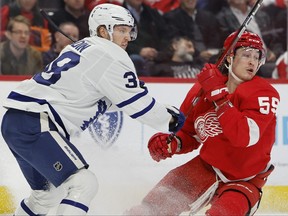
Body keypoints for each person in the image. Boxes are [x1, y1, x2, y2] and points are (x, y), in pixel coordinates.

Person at [0, 3, 185, 216]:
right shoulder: (112, 55)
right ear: (103, 30)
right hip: (36, 123)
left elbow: (106, 96)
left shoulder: (83, 48)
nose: (127, 37)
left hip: (17, 121)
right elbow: (141, 108)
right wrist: (171, 121)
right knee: (84, 184)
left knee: (45, 196)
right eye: (121, 30)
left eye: (129, 31)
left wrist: (132, 95)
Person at [125, 31, 280, 215]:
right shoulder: (202, 90)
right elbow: (190, 133)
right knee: (147, 211)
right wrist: (173, 143)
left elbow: (243, 136)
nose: (252, 62)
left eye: (257, 57)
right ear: (229, 57)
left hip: (244, 179)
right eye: (246, 55)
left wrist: (219, 96)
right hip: (206, 167)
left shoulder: (263, 93)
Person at [122, 0, 172, 76]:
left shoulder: (152, 13)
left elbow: (165, 34)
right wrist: (139, 51)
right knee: (136, 60)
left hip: (156, 54)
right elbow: (116, 40)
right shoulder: (119, 14)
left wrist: (157, 52)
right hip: (130, 55)